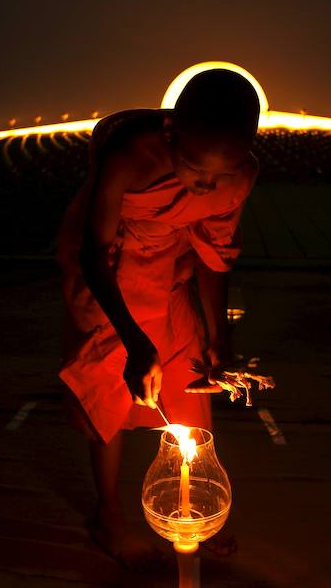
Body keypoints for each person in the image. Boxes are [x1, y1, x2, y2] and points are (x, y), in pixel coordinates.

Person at [55, 68, 260, 570]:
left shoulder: (240, 174)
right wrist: (132, 338)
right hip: (112, 269)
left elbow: (214, 254)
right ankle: (109, 516)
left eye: (220, 177)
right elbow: (92, 250)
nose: (204, 185)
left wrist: (219, 335)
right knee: (110, 388)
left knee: (189, 375)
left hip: (170, 267)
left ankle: (194, 509)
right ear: (171, 134)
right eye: (193, 169)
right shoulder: (130, 156)